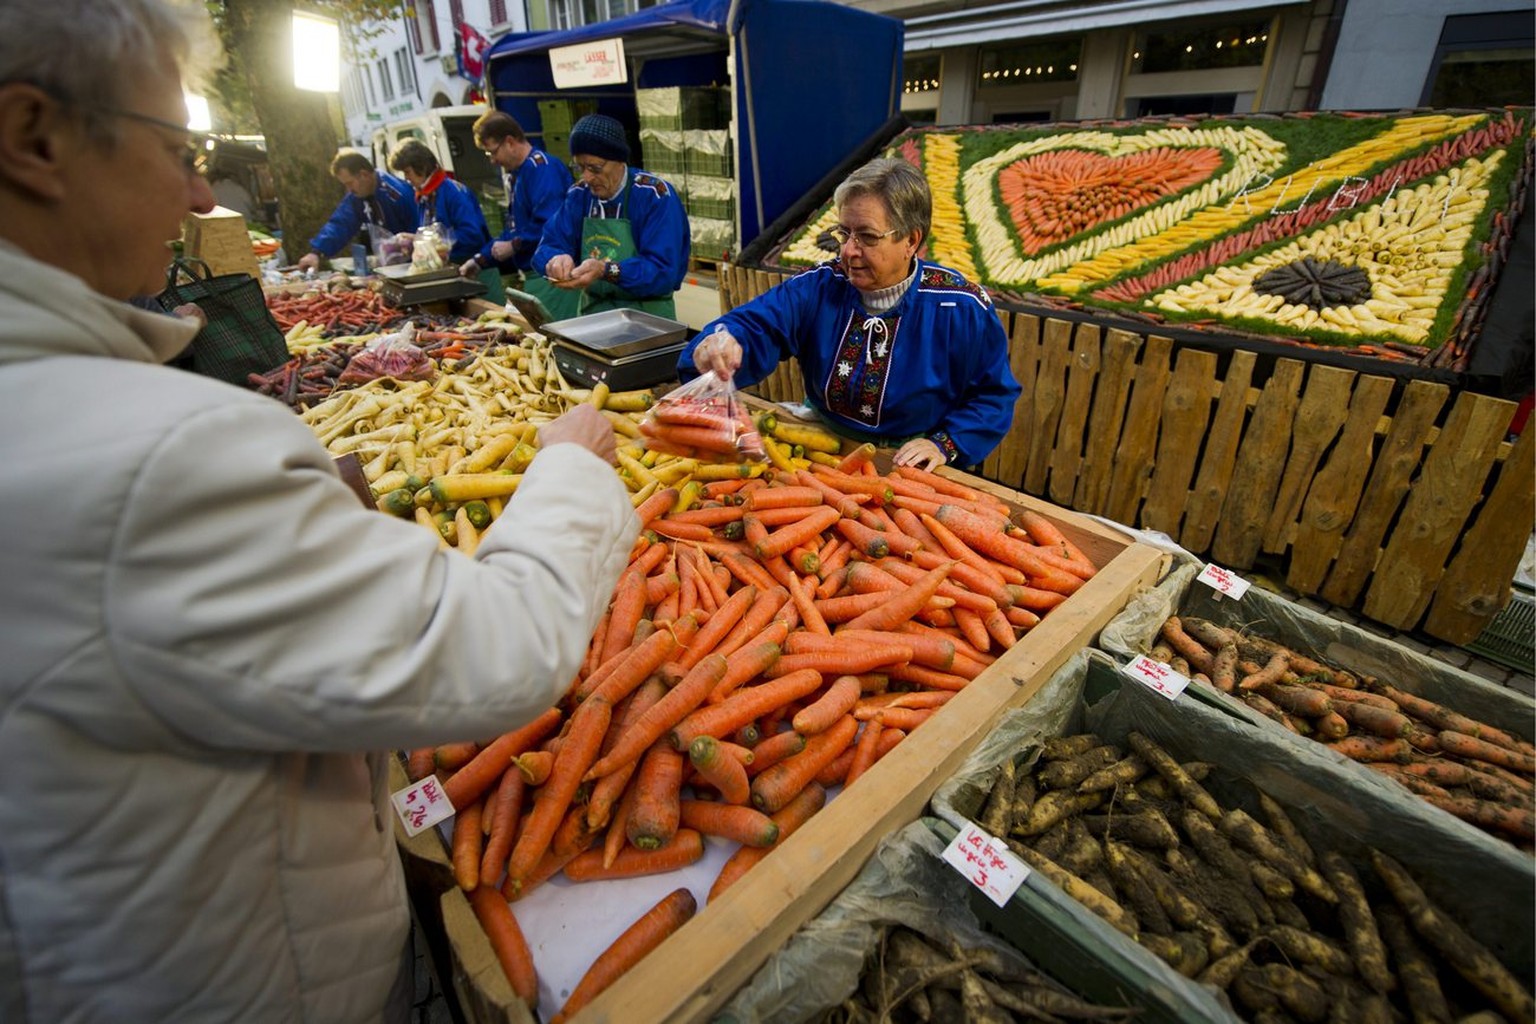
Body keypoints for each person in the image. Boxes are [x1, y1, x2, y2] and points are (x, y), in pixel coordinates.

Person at [0, 2, 638, 1022]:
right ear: (32, 138)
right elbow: (494, 652)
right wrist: (569, 466)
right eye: (178, 149)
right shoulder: (157, 455)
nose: (198, 191)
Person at [683, 158, 1021, 471]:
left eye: (867, 237)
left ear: (911, 241)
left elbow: (993, 395)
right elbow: (757, 325)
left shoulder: (960, 307)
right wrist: (722, 341)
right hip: (822, 450)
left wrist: (945, 444)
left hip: (912, 466)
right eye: (844, 233)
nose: (848, 250)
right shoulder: (818, 287)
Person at [532, 113, 690, 320]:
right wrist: (553, 260)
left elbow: (662, 271)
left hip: (647, 318)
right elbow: (547, 245)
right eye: (580, 167)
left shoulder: (654, 195)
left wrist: (606, 270)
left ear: (619, 161)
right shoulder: (579, 195)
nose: (586, 177)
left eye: (595, 168)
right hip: (594, 317)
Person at [459, 109, 577, 320]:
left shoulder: (542, 170)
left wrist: (514, 246)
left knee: (555, 340)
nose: (492, 160)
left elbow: (548, 225)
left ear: (510, 142)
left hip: (553, 276)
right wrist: (479, 260)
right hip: (536, 277)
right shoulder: (519, 175)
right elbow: (514, 230)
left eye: (492, 152)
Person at [388, 138, 498, 299]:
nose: (406, 178)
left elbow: (472, 235)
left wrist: (430, 242)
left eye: (407, 172)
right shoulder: (423, 197)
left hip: (475, 275)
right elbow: (430, 235)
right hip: (451, 277)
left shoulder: (454, 192)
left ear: (422, 166)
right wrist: (416, 243)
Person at [297, 150, 418, 273]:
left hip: (414, 266)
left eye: (350, 183)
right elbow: (340, 223)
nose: (349, 190)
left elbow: (420, 231)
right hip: (390, 266)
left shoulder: (397, 194)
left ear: (364, 175)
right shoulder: (357, 196)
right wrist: (316, 252)